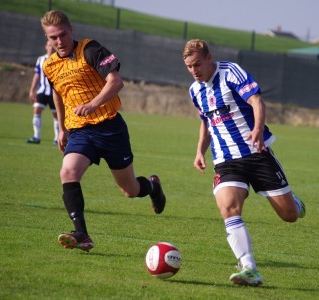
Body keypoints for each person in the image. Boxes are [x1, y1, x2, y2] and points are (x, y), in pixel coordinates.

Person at [40, 10, 166, 252]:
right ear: (47, 38)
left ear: (71, 30)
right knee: (68, 172)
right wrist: (62, 127)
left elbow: (116, 81)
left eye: (62, 35)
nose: (59, 41)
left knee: (130, 190)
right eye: (53, 37)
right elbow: (57, 92)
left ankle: (152, 186)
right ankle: (82, 234)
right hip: (80, 131)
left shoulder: (91, 49)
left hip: (110, 128)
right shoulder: (50, 65)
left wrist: (92, 104)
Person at [182, 39, 306, 286]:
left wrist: (258, 129)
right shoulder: (195, 91)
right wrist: (199, 152)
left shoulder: (231, 72)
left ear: (209, 58)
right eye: (188, 66)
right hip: (226, 160)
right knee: (228, 207)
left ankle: (294, 203)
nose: (194, 71)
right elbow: (206, 121)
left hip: (257, 153)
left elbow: (256, 101)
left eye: (197, 64)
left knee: (289, 215)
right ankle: (249, 268)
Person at [26, 41, 59, 145]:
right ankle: (36, 137)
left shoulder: (60, 59)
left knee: (56, 115)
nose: (51, 47)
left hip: (56, 93)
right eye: (49, 45)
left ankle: (57, 139)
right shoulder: (40, 59)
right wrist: (32, 90)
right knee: (37, 109)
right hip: (42, 91)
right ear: (45, 47)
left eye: (53, 45)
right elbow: (37, 75)